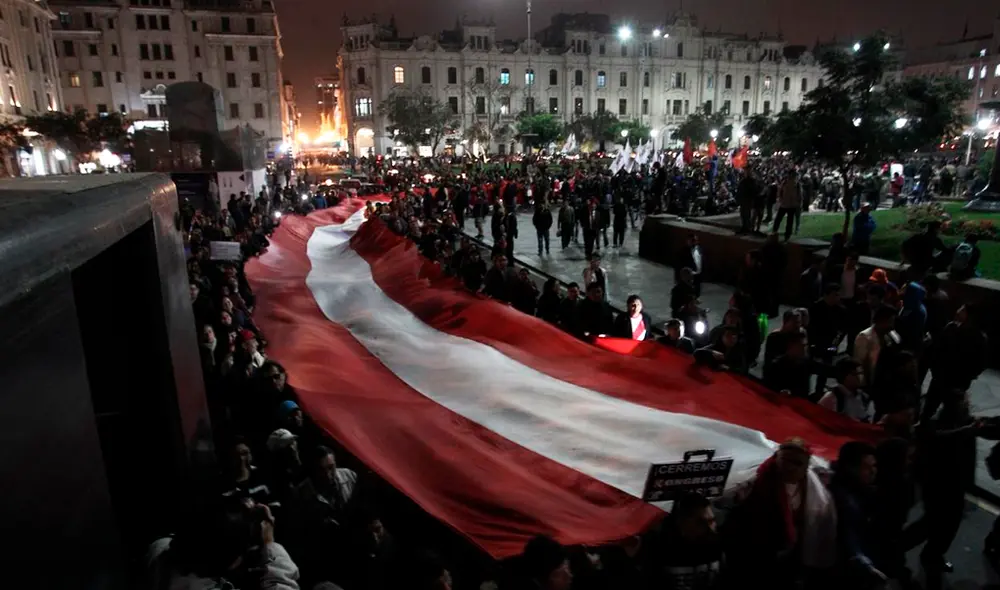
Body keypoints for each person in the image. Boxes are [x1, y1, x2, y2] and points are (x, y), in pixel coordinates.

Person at [829, 442, 885, 588]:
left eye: (874, 466)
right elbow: (847, 531)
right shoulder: (843, 498)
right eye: (867, 467)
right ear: (850, 468)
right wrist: (863, 562)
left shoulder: (861, 491)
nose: (873, 472)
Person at [651, 492, 724, 590]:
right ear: (683, 523)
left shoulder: (718, 546)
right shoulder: (661, 550)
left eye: (712, 521)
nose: (710, 528)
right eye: (701, 522)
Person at [773, 169, 802, 241]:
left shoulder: (797, 184)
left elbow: (800, 195)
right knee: (778, 219)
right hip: (784, 204)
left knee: (789, 222)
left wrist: (799, 203)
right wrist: (780, 199)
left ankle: (787, 236)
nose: (792, 176)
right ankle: (774, 233)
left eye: (793, 174)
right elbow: (780, 191)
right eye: (791, 174)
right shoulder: (785, 182)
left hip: (792, 205)